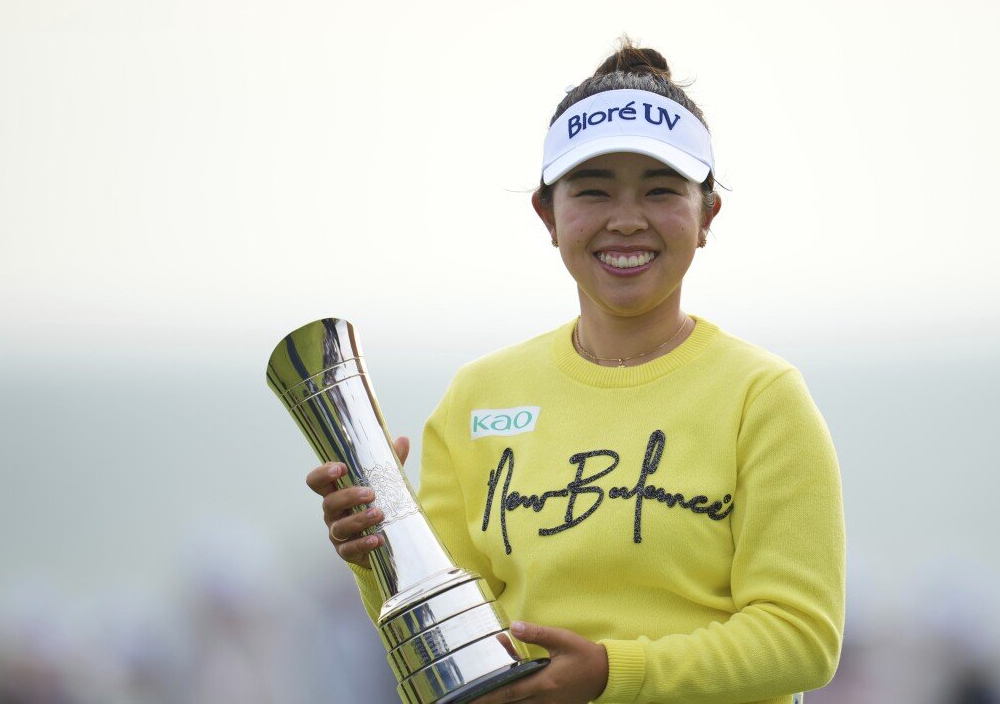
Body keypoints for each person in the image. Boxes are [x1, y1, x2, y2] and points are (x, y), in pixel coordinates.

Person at [305, 38, 846, 703]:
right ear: (548, 215)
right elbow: (449, 645)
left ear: (707, 214)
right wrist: (379, 553)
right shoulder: (477, 398)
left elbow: (802, 639)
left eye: (660, 191)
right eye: (593, 192)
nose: (627, 220)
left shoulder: (761, 397)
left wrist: (611, 673)